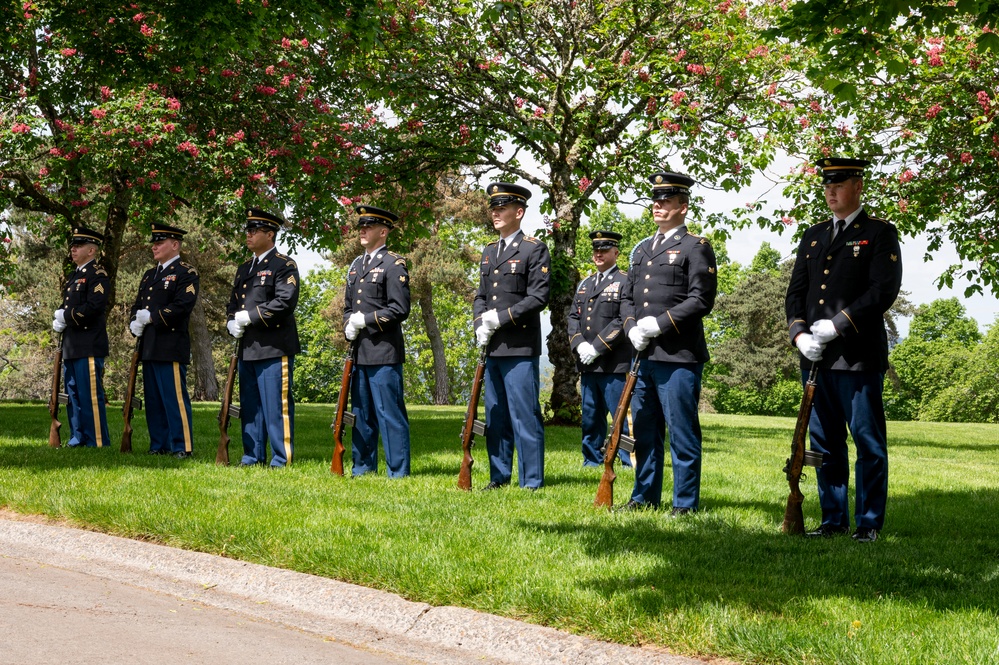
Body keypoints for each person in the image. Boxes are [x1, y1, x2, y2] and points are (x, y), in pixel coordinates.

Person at [785, 157, 902, 543]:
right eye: (827, 185)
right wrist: (800, 334)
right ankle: (833, 520)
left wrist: (838, 324)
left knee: (868, 443)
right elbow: (796, 294)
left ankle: (868, 523)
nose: (831, 191)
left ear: (858, 186)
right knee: (825, 443)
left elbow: (881, 291)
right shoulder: (814, 235)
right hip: (816, 359)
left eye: (839, 184)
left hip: (857, 356)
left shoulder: (879, 233)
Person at [619, 172, 717, 514]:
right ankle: (644, 496)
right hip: (642, 355)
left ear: (682, 206)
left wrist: (658, 325)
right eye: (655, 200)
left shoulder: (696, 247)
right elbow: (627, 297)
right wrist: (631, 326)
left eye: (665, 201)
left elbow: (701, 300)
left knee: (681, 432)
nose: (657, 206)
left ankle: (685, 503)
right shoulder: (642, 249)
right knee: (645, 429)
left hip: (679, 355)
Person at [473, 182, 551, 491]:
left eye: (501, 208)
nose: (495, 213)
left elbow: (538, 298)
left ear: (518, 212)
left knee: (525, 416)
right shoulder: (490, 251)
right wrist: (480, 321)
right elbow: (481, 295)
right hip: (493, 346)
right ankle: (499, 476)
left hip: (519, 345)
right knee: (497, 416)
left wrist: (500, 318)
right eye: (493, 209)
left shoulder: (534, 249)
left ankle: (530, 480)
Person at [226, 208, 301, 468]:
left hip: (273, 345)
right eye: (247, 230)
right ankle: (252, 457)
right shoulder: (244, 267)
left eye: (253, 230)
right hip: (248, 348)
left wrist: (251, 316)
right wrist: (230, 322)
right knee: (251, 407)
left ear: (270, 234)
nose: (248, 235)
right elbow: (233, 304)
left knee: (275, 408)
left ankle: (281, 459)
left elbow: (285, 302)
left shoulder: (284, 264)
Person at [342, 206, 412, 478]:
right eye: (361, 226)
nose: (362, 230)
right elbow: (348, 306)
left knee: (389, 414)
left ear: (383, 232)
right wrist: (348, 322)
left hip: (384, 351)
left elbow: (399, 308)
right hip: (359, 351)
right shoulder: (356, 265)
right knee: (361, 413)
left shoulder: (394, 264)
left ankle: (397, 470)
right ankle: (362, 467)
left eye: (368, 227)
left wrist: (366, 320)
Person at [128, 223, 200, 458]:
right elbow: (137, 305)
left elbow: (182, 306)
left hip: (171, 344)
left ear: (175, 245)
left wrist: (152, 317)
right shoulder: (150, 275)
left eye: (160, 243)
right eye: (154, 243)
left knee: (174, 399)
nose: (154, 247)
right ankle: (159, 444)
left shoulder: (186, 272)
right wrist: (134, 322)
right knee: (154, 400)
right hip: (149, 346)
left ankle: (182, 446)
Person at [567, 230, 633, 468]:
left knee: (621, 416)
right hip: (588, 363)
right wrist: (580, 344)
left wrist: (597, 347)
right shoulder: (585, 284)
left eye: (604, 250)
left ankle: (627, 461)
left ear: (616, 252)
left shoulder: (625, 281)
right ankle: (592, 460)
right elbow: (573, 318)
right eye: (596, 250)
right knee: (591, 417)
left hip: (615, 362)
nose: (599, 254)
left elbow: (622, 320)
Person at [51, 226, 111, 448]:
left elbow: (94, 306)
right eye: (72, 246)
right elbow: (69, 305)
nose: (73, 249)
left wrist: (66, 316)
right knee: (73, 394)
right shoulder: (74, 275)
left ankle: (97, 440)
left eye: (78, 246)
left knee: (90, 396)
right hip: (72, 345)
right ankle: (78, 437)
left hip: (89, 344)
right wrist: (60, 317)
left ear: (92, 250)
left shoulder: (98, 275)